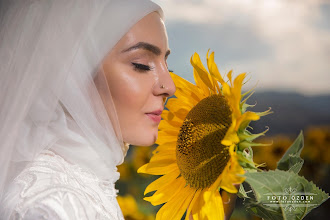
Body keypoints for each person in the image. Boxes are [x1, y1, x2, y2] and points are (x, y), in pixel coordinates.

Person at [0, 0, 237, 219]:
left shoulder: (79, 182)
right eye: (142, 65)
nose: (170, 87)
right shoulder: (54, 206)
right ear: (73, 75)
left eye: (166, 63)